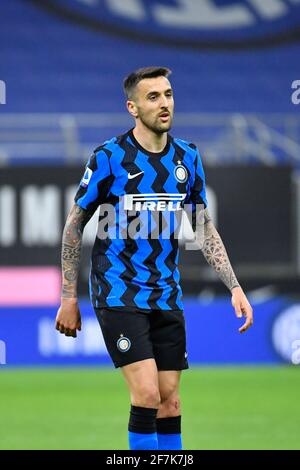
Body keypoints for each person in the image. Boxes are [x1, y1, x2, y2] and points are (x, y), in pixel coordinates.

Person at [55, 66, 253, 450]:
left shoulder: (188, 158)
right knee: (147, 395)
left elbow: (204, 228)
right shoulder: (109, 158)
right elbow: (73, 226)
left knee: (170, 402)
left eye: (168, 94)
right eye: (153, 97)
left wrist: (235, 286)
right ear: (132, 107)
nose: (164, 104)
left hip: (166, 293)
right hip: (118, 291)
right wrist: (68, 295)